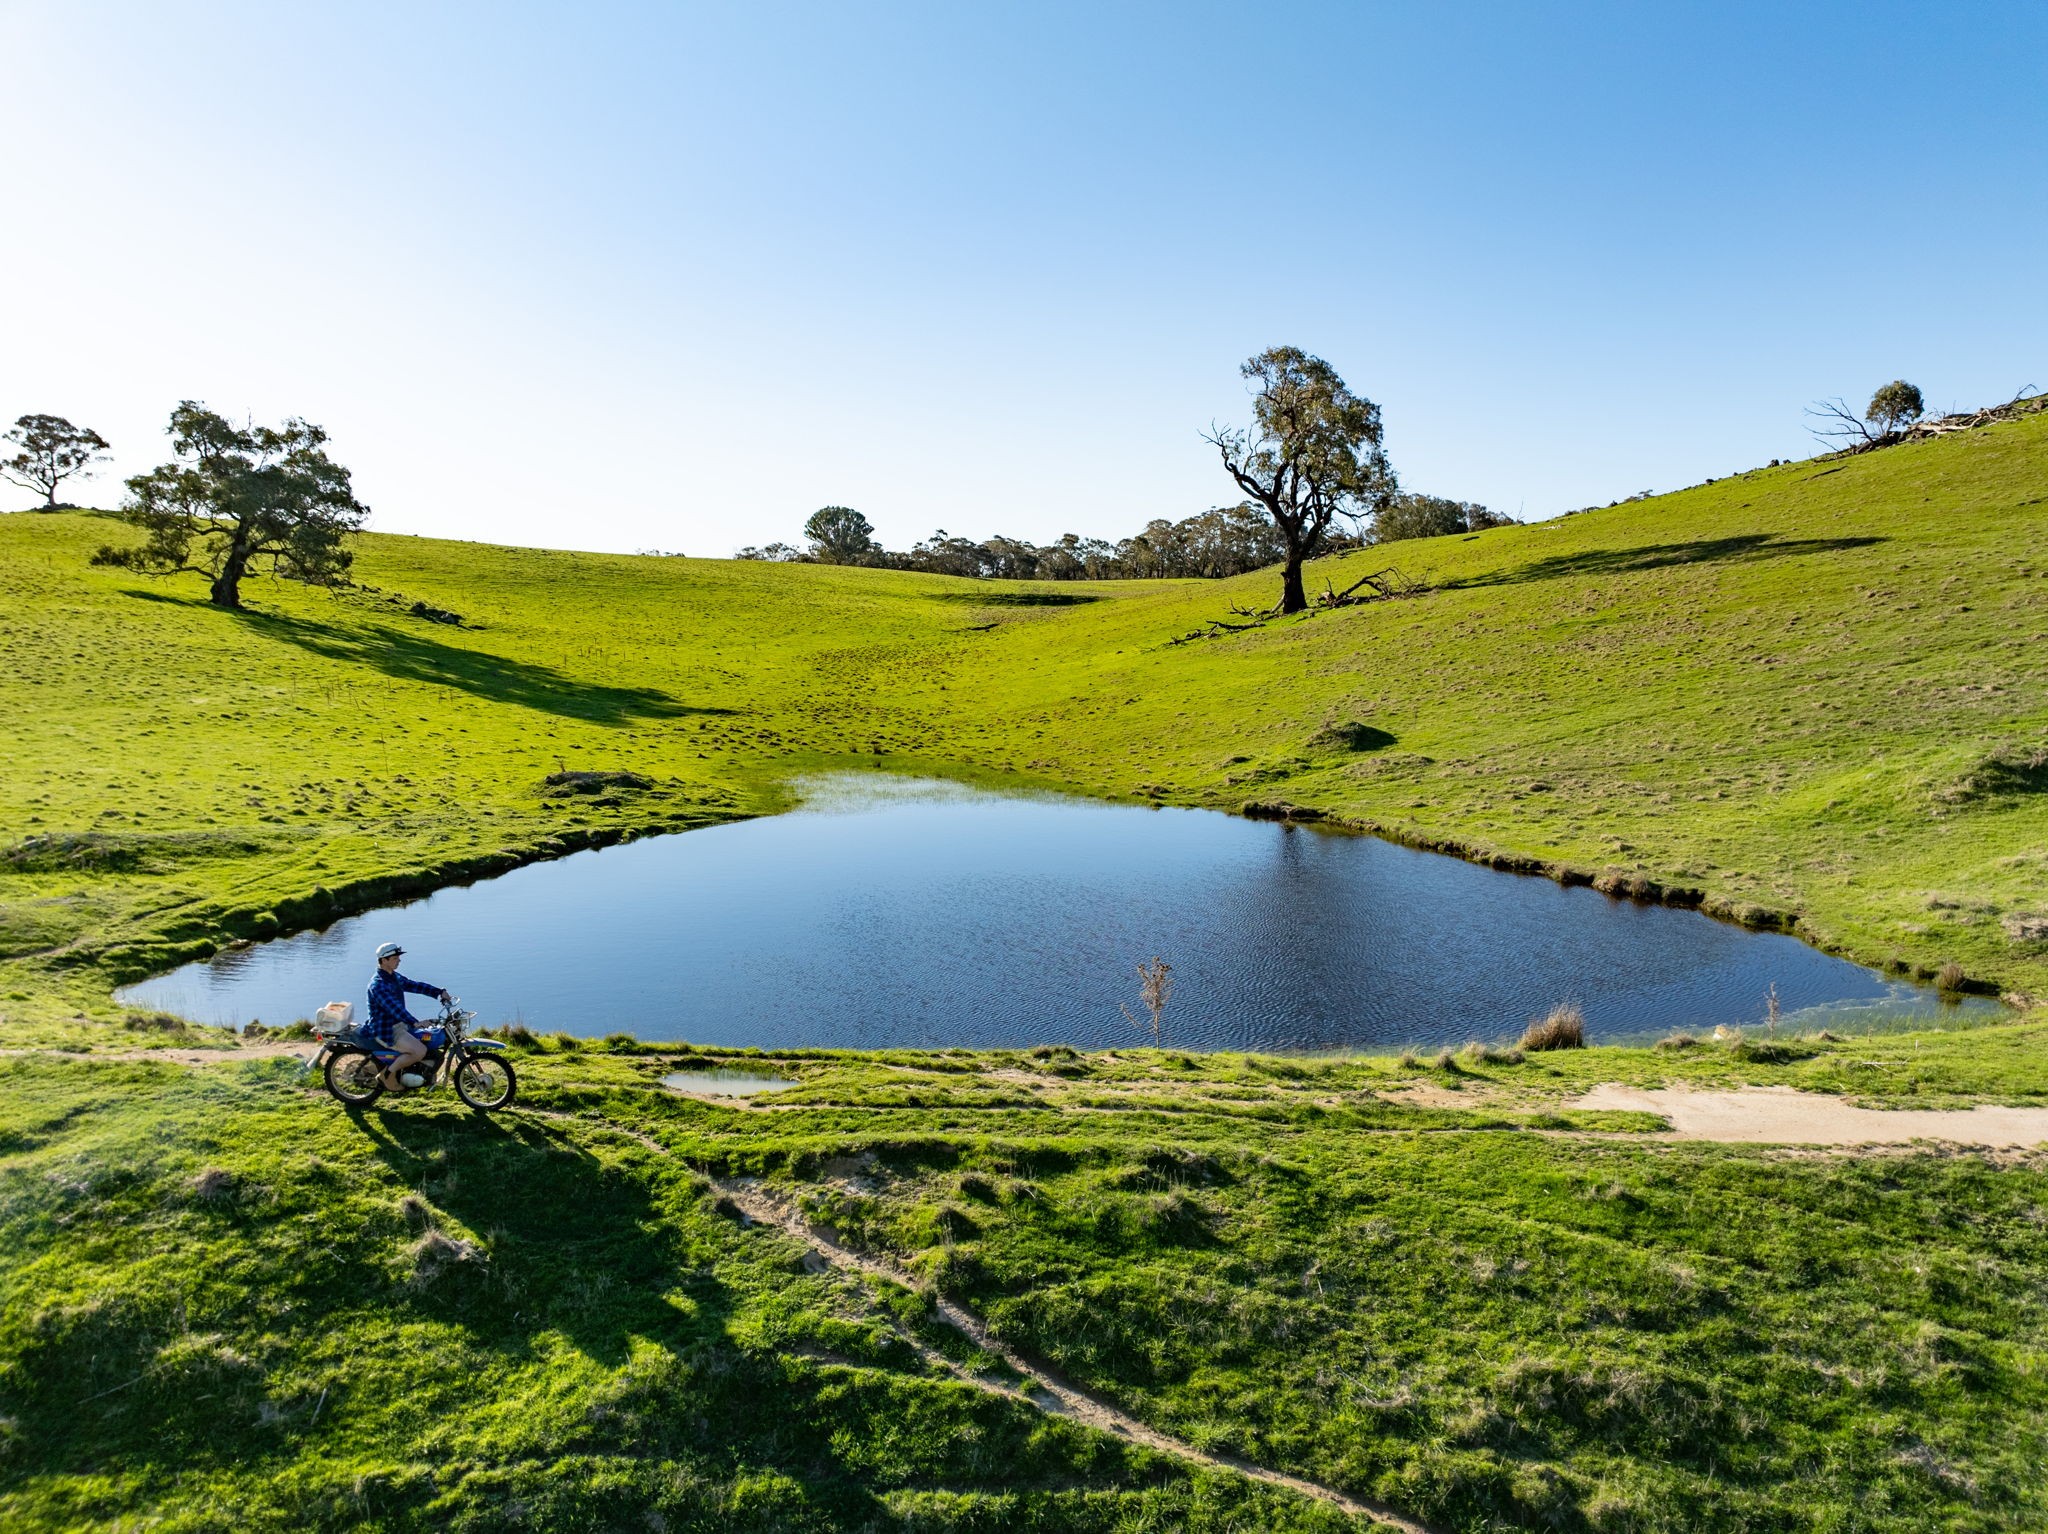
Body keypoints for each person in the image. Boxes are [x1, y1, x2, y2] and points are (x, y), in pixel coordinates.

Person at [367, 941, 450, 1093]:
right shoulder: (378, 985)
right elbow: (394, 1008)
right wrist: (415, 1022)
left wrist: (438, 992)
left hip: (399, 1024)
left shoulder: (393, 977)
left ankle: (421, 1075)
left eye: (398, 957)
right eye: (395, 958)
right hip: (386, 1029)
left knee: (428, 1041)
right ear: (383, 960)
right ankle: (387, 1075)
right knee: (419, 1051)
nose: (399, 960)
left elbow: (414, 985)